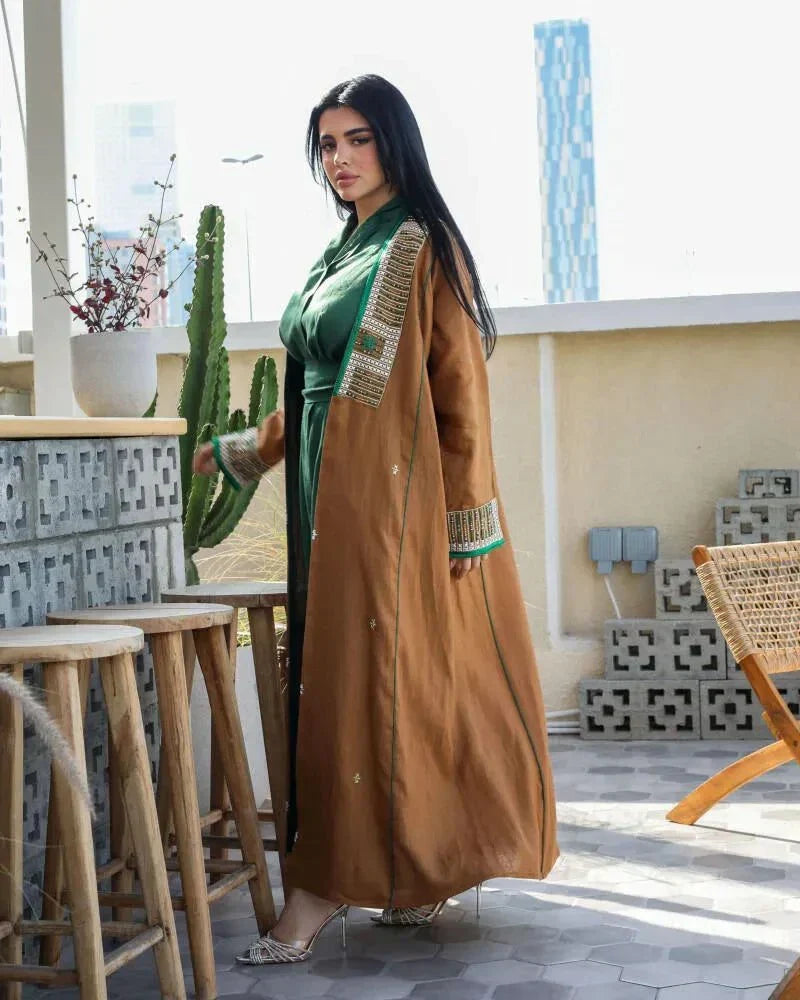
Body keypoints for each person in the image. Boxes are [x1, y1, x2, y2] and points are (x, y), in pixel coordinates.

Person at [193, 73, 559, 966]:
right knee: (343, 672)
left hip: (394, 502)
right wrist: (252, 451)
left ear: (393, 142)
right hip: (327, 492)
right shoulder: (342, 250)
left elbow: (459, 391)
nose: (341, 158)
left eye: (357, 139)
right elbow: (324, 382)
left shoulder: (420, 247)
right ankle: (396, 870)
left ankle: (319, 889)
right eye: (327, 144)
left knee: (369, 678)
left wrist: (469, 519)